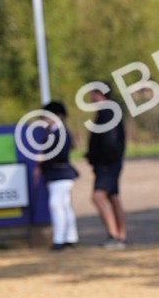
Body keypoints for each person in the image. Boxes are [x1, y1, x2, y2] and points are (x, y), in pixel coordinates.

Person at [86, 83, 127, 248]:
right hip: (112, 162)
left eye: (92, 92)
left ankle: (113, 235)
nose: (90, 96)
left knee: (97, 197)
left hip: (107, 164)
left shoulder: (107, 112)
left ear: (99, 93)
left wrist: (103, 160)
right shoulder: (112, 110)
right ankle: (121, 235)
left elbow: (109, 139)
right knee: (113, 197)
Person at [37, 100, 79, 250]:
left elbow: (60, 153)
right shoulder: (56, 132)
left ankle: (59, 239)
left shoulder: (59, 132)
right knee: (65, 205)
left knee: (56, 205)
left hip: (59, 173)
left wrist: (44, 157)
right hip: (59, 173)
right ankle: (70, 237)